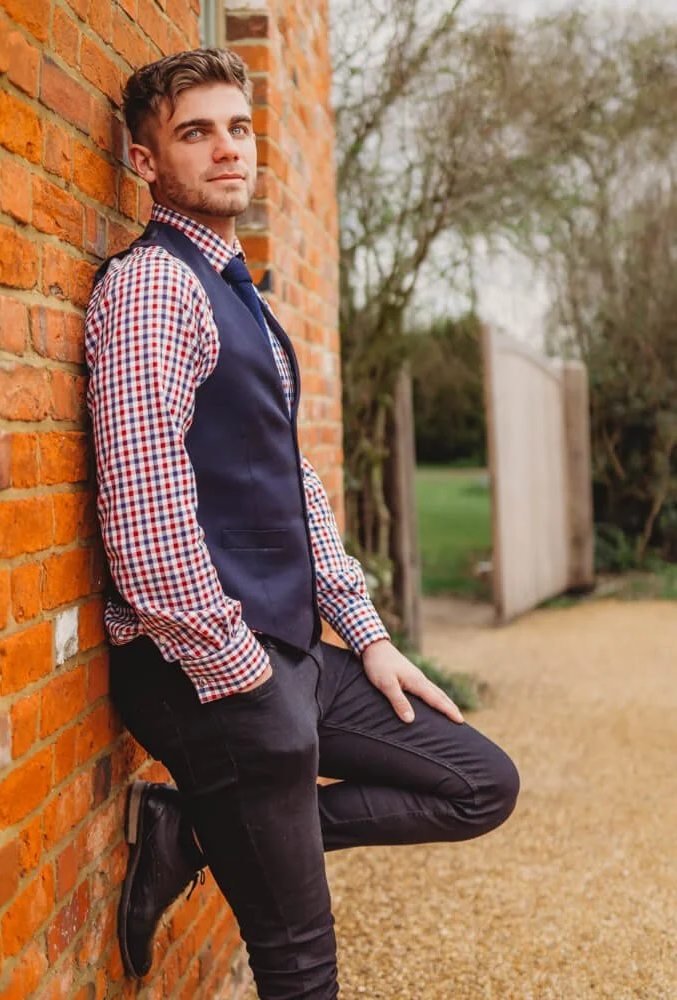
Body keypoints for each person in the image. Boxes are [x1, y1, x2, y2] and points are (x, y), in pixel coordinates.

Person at [85, 47, 519, 1000]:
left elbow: (294, 488)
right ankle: (219, 821)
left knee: (479, 783)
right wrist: (245, 680)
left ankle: (197, 831)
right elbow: (145, 520)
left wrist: (367, 638)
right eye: (197, 132)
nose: (228, 149)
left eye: (239, 128)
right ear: (145, 160)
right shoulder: (156, 287)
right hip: (208, 668)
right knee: (302, 968)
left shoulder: (235, 288)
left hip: (288, 656)